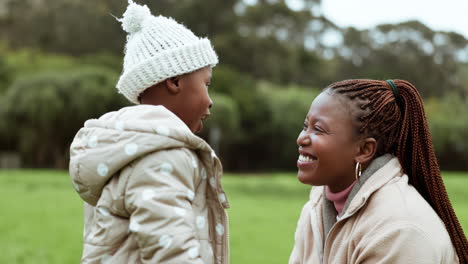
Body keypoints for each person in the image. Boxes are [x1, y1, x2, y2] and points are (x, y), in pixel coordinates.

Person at [68, 1, 229, 263]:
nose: (210, 100)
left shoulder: (133, 147)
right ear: (175, 81)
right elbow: (170, 249)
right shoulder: (160, 157)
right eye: (206, 84)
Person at [289, 79, 467, 263]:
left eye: (318, 129)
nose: (301, 138)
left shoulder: (399, 230)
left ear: (364, 150)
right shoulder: (315, 209)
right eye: (305, 126)